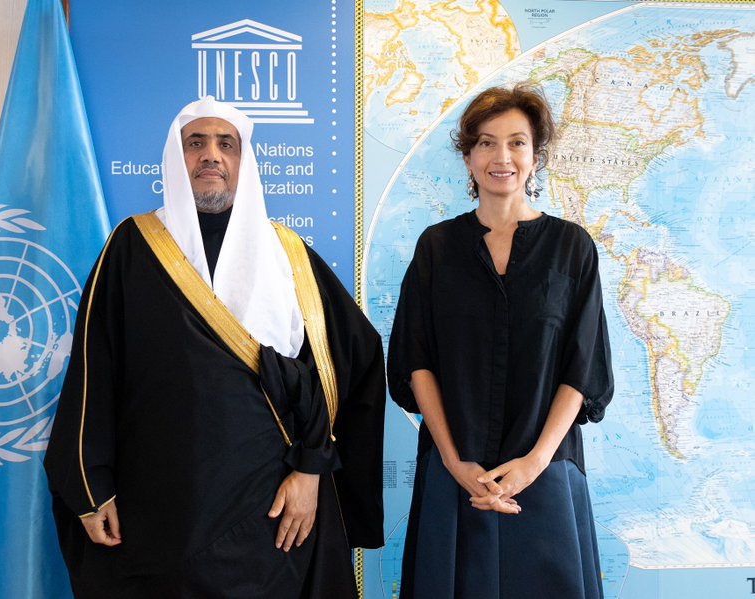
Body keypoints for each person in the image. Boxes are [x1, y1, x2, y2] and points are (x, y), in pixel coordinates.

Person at [44, 97, 385, 598]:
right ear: (174, 158)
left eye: (227, 144)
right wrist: (90, 488)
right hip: (162, 509)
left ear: (244, 163)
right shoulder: (132, 245)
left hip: (274, 510)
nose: (211, 155)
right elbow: (95, 372)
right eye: (196, 143)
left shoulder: (287, 254)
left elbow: (346, 367)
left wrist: (312, 471)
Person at [387, 83, 614, 598]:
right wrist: (453, 461)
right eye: (486, 142)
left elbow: (583, 367)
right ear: (467, 156)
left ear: (535, 157)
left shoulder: (571, 247)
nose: (502, 157)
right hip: (456, 474)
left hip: (547, 471)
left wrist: (533, 464)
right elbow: (415, 361)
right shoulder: (437, 247)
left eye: (517, 142)